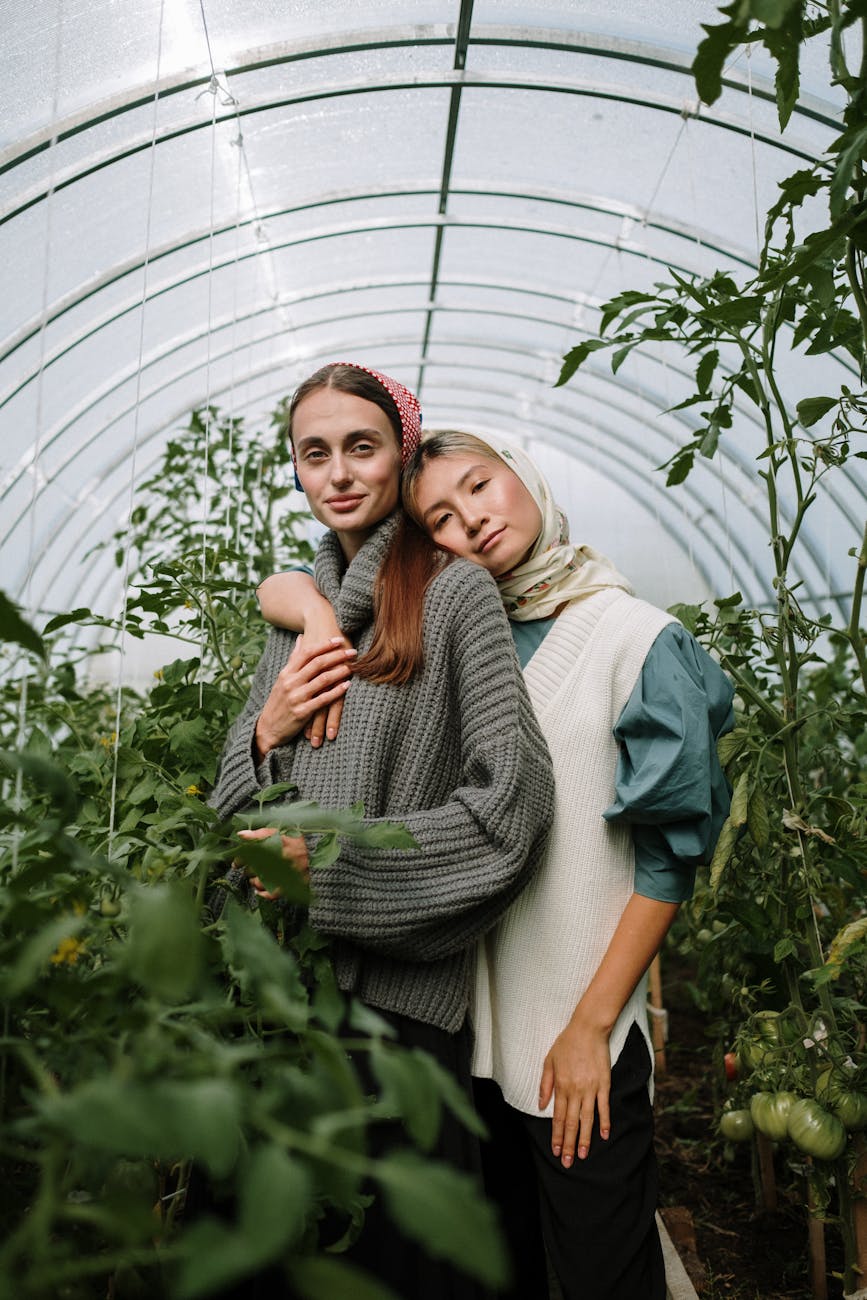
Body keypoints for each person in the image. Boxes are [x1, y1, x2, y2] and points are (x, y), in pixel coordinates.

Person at [259, 428, 734, 1300]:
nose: (470, 521)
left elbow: (670, 859)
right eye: (439, 516)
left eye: (480, 487)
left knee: (601, 1270)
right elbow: (299, 580)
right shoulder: (453, 631)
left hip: (571, 1030)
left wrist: (594, 1026)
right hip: (462, 1028)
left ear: (525, 475)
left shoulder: (633, 638)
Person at [210, 367, 555, 1300]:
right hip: (281, 1006)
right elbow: (224, 819)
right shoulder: (297, 623)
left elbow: (510, 808)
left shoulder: (452, 597)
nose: (338, 473)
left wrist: (326, 874)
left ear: (402, 454)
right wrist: (261, 735)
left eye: (360, 447)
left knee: (398, 1269)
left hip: (396, 1019)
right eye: (313, 454)